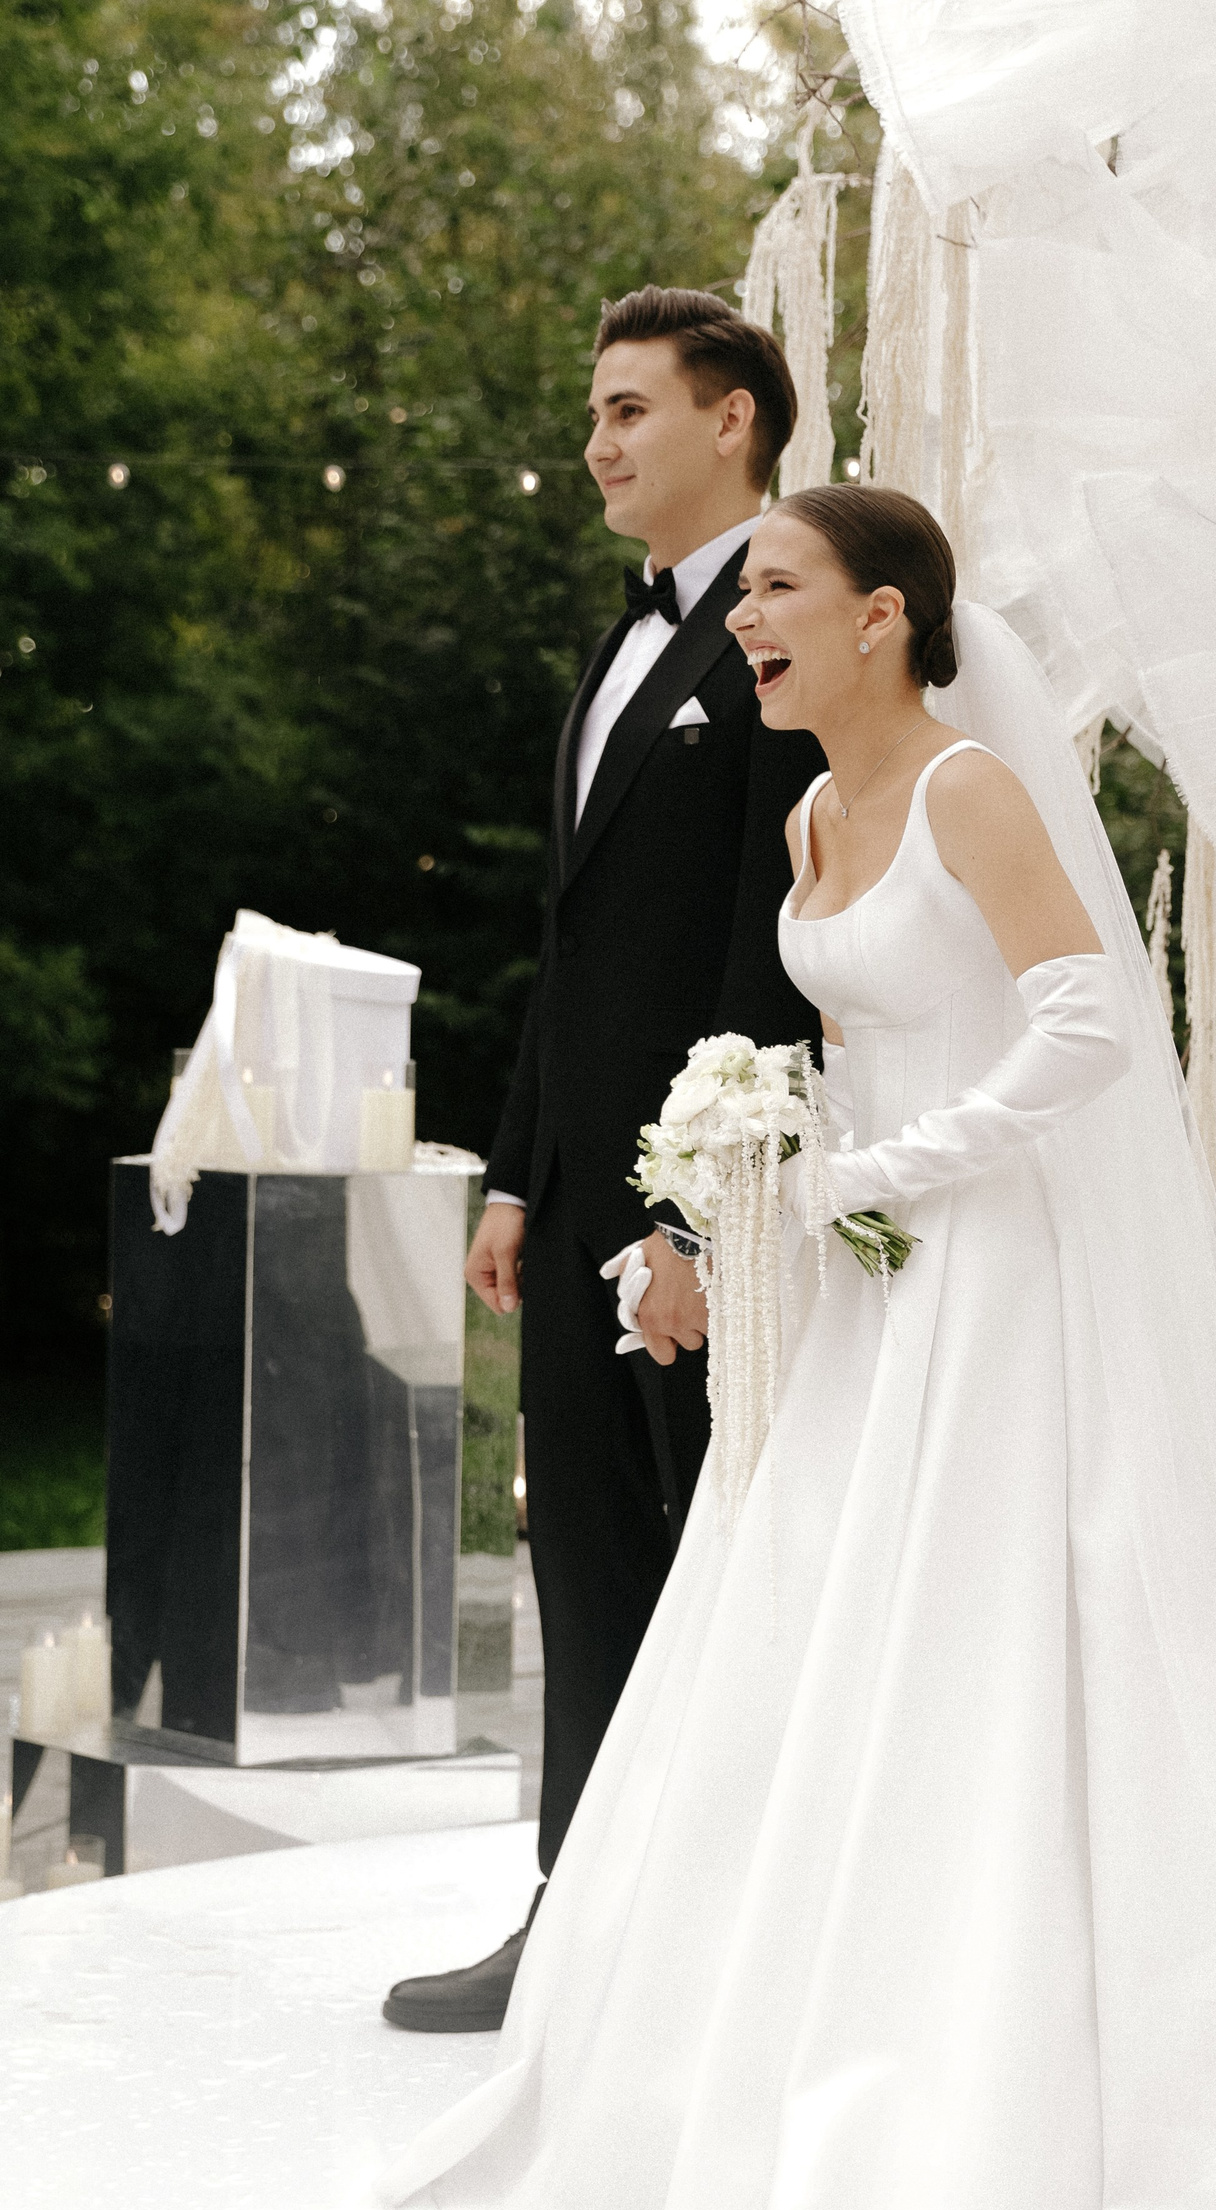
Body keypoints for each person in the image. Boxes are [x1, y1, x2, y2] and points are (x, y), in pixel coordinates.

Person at [380, 487, 1216, 2210]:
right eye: (744, 592)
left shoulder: (968, 793)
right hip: (865, 1280)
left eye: (777, 589)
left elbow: (1088, 1027)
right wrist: (725, 1204)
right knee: (810, 1621)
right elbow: (817, 1064)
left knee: (979, 1636)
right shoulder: (817, 816)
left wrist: (892, 1172)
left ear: (884, 617)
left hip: (991, 1273)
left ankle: (998, 2110)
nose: (744, 620)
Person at [382, 289, 825, 2032]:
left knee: (726, 1559)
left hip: (707, 1213)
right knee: (579, 1555)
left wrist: (705, 1221)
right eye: (593, 415)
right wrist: (515, 1175)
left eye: (630, 409)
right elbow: (572, 945)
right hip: (571, 1195)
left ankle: (734, 1954)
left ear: (733, 419)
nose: (597, 444)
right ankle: (575, 1929)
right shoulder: (612, 647)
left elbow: (770, 948)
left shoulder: (788, 636)